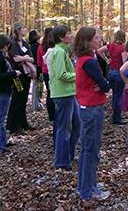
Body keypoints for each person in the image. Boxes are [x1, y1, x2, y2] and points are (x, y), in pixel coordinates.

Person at [74, 27, 110, 200]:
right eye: (96, 37)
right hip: (91, 108)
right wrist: (104, 84)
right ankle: (88, 190)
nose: (99, 39)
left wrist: (102, 83)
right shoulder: (89, 61)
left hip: (88, 106)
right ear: (87, 41)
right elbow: (104, 84)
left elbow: (101, 82)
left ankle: (87, 185)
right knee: (90, 150)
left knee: (88, 149)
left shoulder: (85, 59)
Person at [48, 25, 80, 170]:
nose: (71, 35)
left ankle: (69, 154)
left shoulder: (63, 51)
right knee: (64, 128)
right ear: (61, 37)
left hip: (69, 93)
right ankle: (61, 161)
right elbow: (61, 75)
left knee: (77, 124)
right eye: (68, 33)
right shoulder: (59, 52)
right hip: (63, 94)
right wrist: (78, 75)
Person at [6, 22, 36, 134]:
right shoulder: (12, 43)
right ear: (17, 30)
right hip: (17, 75)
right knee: (17, 99)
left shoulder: (25, 43)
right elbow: (15, 59)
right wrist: (25, 57)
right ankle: (13, 126)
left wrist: (24, 58)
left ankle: (23, 123)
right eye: (23, 28)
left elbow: (32, 59)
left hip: (26, 75)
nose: (25, 29)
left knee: (23, 99)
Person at [97, 30, 127, 125]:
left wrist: (106, 60)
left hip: (111, 72)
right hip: (118, 73)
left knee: (115, 95)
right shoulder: (123, 47)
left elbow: (99, 51)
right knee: (118, 96)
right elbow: (124, 61)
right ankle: (116, 118)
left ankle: (115, 115)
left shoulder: (110, 45)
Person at [29, 29, 44, 111]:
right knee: (37, 85)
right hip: (37, 67)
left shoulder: (30, 46)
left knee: (38, 85)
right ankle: (35, 104)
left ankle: (37, 102)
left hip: (35, 67)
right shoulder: (37, 46)